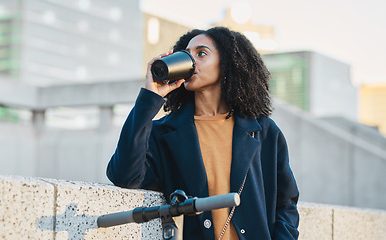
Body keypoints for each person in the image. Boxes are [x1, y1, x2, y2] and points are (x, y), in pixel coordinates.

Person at [106, 26, 299, 240]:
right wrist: (149, 98)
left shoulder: (264, 131)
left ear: (227, 64)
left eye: (202, 53)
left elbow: (286, 202)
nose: (191, 61)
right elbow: (125, 176)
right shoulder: (164, 133)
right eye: (187, 54)